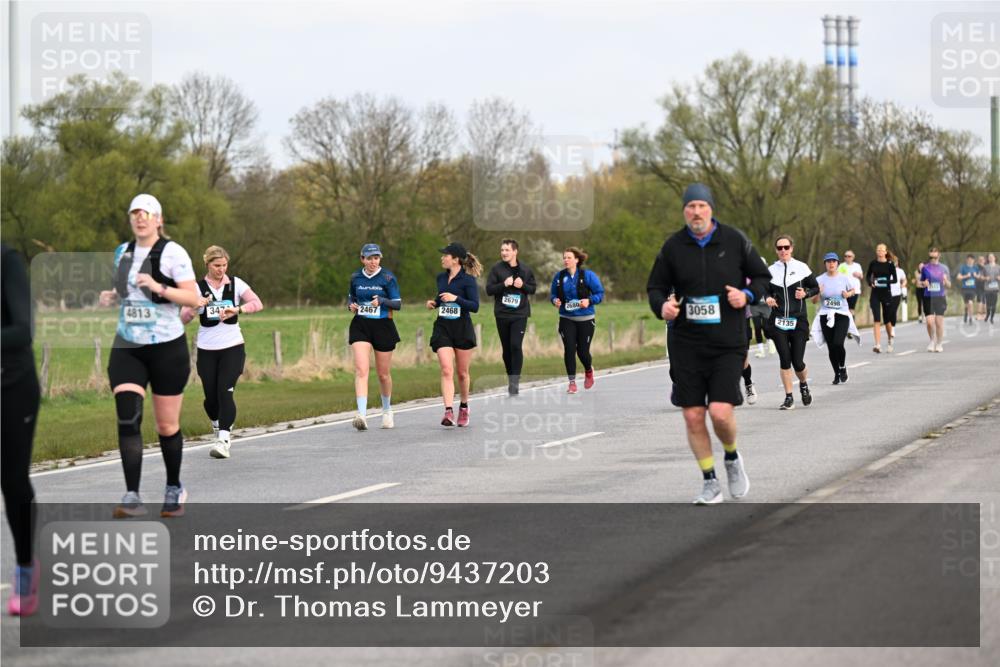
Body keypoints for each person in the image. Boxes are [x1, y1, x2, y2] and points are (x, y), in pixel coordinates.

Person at [647, 183, 770, 505]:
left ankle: (731, 457)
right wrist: (662, 306)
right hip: (686, 342)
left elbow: (761, 277)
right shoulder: (673, 247)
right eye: (691, 207)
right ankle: (709, 481)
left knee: (719, 412)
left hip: (727, 341)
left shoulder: (734, 240)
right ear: (684, 211)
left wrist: (747, 295)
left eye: (701, 206)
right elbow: (655, 287)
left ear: (711, 209)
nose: (696, 212)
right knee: (692, 415)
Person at [98, 194, 207, 518]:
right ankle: (132, 495)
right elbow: (125, 291)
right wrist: (111, 295)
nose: (140, 218)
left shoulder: (173, 253)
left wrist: (159, 287)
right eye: (134, 213)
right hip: (128, 346)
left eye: (146, 213)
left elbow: (194, 298)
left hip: (166, 349)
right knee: (128, 417)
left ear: (158, 219)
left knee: (166, 425)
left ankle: (174, 487)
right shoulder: (123, 252)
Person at [180, 246, 263, 457]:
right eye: (217, 266)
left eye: (224, 265)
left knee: (226, 392)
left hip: (233, 346)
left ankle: (224, 440)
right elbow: (183, 318)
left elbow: (257, 303)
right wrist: (196, 307)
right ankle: (217, 425)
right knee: (211, 398)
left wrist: (239, 309)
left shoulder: (235, 283)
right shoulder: (196, 288)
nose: (221, 269)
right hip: (207, 349)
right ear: (207, 264)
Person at [2, 244, 40, 615]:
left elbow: (23, 330)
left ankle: (27, 566)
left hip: (11, 387)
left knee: (12, 482)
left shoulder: (7, 260)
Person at [346, 244, 401, 431]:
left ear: (380, 258)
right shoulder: (355, 277)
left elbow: (398, 304)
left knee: (383, 374)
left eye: (376, 258)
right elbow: (351, 298)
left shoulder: (388, 277)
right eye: (369, 258)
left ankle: (387, 410)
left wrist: (382, 301)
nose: (372, 262)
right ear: (362, 259)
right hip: (361, 324)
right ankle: (361, 414)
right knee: (361, 369)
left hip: (383, 325)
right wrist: (351, 306)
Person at [426, 243, 481, 427]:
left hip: (462, 328)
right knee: (446, 369)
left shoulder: (468, 281)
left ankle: (464, 407)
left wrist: (456, 298)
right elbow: (441, 297)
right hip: (443, 327)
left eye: (445, 255)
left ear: (455, 259)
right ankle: (448, 411)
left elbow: (474, 306)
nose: (442, 258)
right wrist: (434, 303)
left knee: (462, 373)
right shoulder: (441, 278)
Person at [764, 235, 819, 410]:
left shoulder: (801, 267)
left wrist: (806, 294)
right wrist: (767, 298)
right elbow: (763, 290)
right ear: (776, 250)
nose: (783, 251)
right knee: (784, 359)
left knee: (798, 362)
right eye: (779, 248)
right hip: (779, 320)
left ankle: (803, 384)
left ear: (791, 248)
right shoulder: (771, 270)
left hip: (798, 321)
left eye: (786, 247)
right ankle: (789, 397)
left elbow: (816, 287)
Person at [485, 239, 537, 396]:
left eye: (507, 250)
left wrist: (523, 286)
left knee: (515, 345)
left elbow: (533, 289)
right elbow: (489, 290)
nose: (504, 253)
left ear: (515, 251)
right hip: (502, 314)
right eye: (502, 250)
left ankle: (515, 382)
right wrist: (504, 284)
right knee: (507, 349)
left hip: (519, 314)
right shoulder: (496, 269)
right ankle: (510, 376)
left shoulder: (526, 270)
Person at [550, 247, 605, 394]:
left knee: (582, 351)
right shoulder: (559, 277)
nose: (565, 260)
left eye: (568, 257)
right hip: (566, 318)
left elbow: (600, 293)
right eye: (564, 257)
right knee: (569, 349)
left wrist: (590, 300)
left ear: (576, 260)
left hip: (586, 318)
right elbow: (553, 294)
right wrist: (555, 300)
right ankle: (572, 382)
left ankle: (588, 370)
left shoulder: (588, 276)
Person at [811, 252, 861, 384]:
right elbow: (814, 301)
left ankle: (842, 367)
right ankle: (836, 374)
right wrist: (818, 292)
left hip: (842, 314)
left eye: (833, 261)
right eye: (828, 261)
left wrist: (847, 294)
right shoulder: (819, 279)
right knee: (831, 347)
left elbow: (853, 290)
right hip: (825, 315)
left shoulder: (844, 278)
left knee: (838, 343)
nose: (831, 263)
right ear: (825, 264)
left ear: (838, 263)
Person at [865, 243, 898, 353]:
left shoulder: (890, 264)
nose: (879, 252)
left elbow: (895, 280)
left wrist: (884, 281)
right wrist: (871, 283)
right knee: (877, 318)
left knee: (887, 319)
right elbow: (868, 276)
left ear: (885, 252)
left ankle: (890, 339)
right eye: (878, 250)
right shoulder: (873, 263)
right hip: (875, 294)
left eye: (881, 250)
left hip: (886, 293)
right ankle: (877, 344)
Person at [918, 247, 951, 353]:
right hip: (928, 297)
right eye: (931, 255)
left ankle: (939, 343)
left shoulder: (944, 268)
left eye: (935, 254)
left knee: (939, 322)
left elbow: (949, 285)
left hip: (940, 297)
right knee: (929, 322)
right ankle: (932, 341)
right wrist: (924, 283)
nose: (933, 257)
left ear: (939, 255)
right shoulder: (925, 268)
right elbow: (920, 283)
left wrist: (946, 281)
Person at [838, 249, 864, 316]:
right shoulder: (841, 266)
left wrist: (858, 275)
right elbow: (837, 276)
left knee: (851, 309)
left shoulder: (857, 266)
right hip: (844, 290)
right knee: (844, 309)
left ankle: (852, 325)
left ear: (853, 257)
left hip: (854, 290)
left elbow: (862, 276)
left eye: (849, 256)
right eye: (845, 256)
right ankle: (844, 324)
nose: (847, 258)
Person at [957, 254, 978, 325]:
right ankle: (966, 312)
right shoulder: (963, 267)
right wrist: (966, 276)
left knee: (970, 303)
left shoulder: (975, 268)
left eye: (971, 260)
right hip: (965, 288)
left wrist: (976, 276)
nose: (970, 261)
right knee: (966, 304)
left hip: (973, 288)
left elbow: (980, 277)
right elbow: (958, 277)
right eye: (969, 260)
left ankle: (970, 318)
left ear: (973, 260)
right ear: (967, 260)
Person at [889, 252, 907, 328]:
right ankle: (889, 326)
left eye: (895, 261)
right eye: (891, 261)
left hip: (897, 293)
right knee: (888, 311)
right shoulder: (886, 270)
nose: (893, 263)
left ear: (897, 263)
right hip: (887, 293)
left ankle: (892, 327)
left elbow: (904, 280)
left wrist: (902, 285)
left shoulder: (900, 271)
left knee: (893, 310)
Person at [981, 253, 999, 325]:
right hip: (987, 288)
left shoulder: (998, 267)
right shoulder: (985, 267)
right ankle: (988, 314)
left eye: (992, 257)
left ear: (995, 258)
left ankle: (991, 318)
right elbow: (981, 277)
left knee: (994, 304)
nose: (991, 258)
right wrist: (985, 278)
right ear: (988, 259)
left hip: (995, 288)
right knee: (988, 304)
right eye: (989, 257)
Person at [976, 255, 987, 321]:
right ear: (978, 260)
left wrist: (984, 278)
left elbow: (989, 276)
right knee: (979, 299)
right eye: (980, 259)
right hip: (978, 285)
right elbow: (975, 275)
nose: (981, 260)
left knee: (984, 300)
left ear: (984, 260)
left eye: (982, 259)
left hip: (986, 286)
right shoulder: (976, 267)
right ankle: (978, 315)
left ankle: (984, 315)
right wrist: (979, 277)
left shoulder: (986, 267)